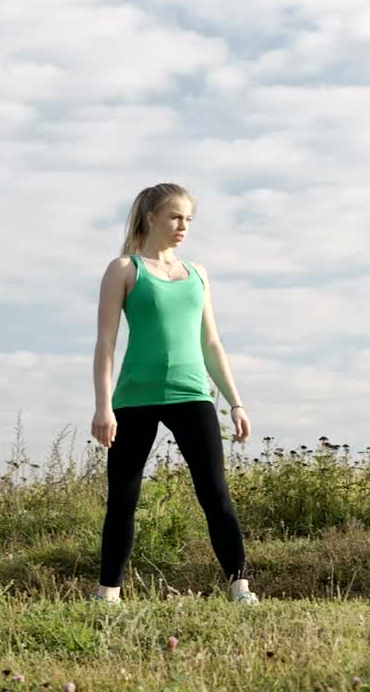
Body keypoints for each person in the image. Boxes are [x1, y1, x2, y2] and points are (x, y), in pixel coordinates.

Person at [89, 182, 257, 604]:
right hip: (135, 397)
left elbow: (212, 344)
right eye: (175, 217)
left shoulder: (197, 273)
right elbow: (105, 342)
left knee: (215, 493)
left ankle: (240, 587)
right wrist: (103, 406)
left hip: (192, 394)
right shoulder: (125, 269)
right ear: (151, 218)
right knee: (123, 498)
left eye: (188, 219)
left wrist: (235, 401)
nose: (183, 226)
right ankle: (108, 594)